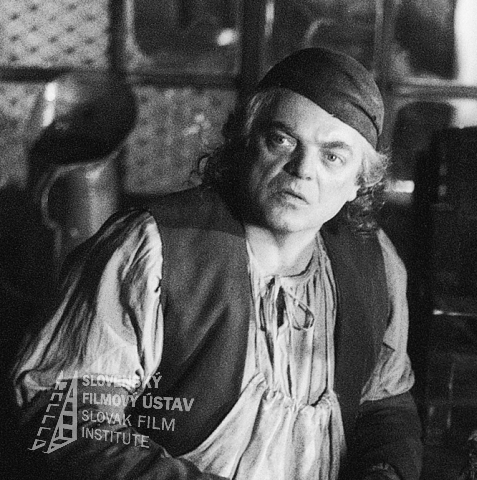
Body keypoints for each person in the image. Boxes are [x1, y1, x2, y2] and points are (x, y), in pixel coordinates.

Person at [12, 47, 422, 480]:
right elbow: (61, 422)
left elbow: (384, 402)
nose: (302, 169)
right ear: (245, 140)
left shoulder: (374, 263)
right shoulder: (151, 251)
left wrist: (385, 470)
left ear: (360, 181)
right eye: (282, 140)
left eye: (333, 156)